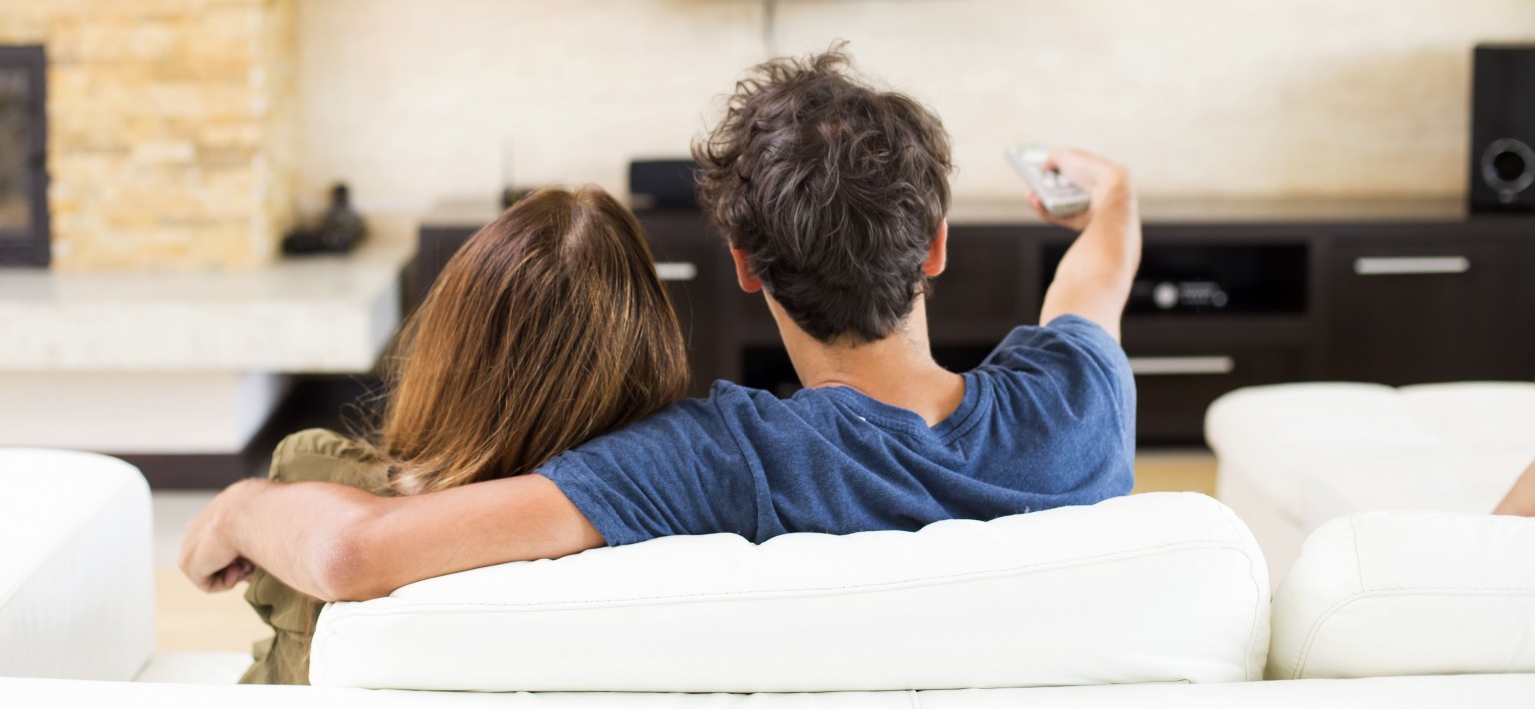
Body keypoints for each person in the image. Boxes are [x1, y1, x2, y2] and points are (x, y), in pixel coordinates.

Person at [182, 46, 1142, 603]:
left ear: (742, 263)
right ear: (934, 246)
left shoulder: (721, 459)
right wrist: (1112, 198)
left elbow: (358, 553)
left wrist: (239, 507)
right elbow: (1094, 282)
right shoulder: (1080, 402)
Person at [235, 185, 689, 683]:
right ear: (651, 341)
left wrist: (236, 511)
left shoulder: (317, 482)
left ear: (453, 340)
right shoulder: (680, 510)